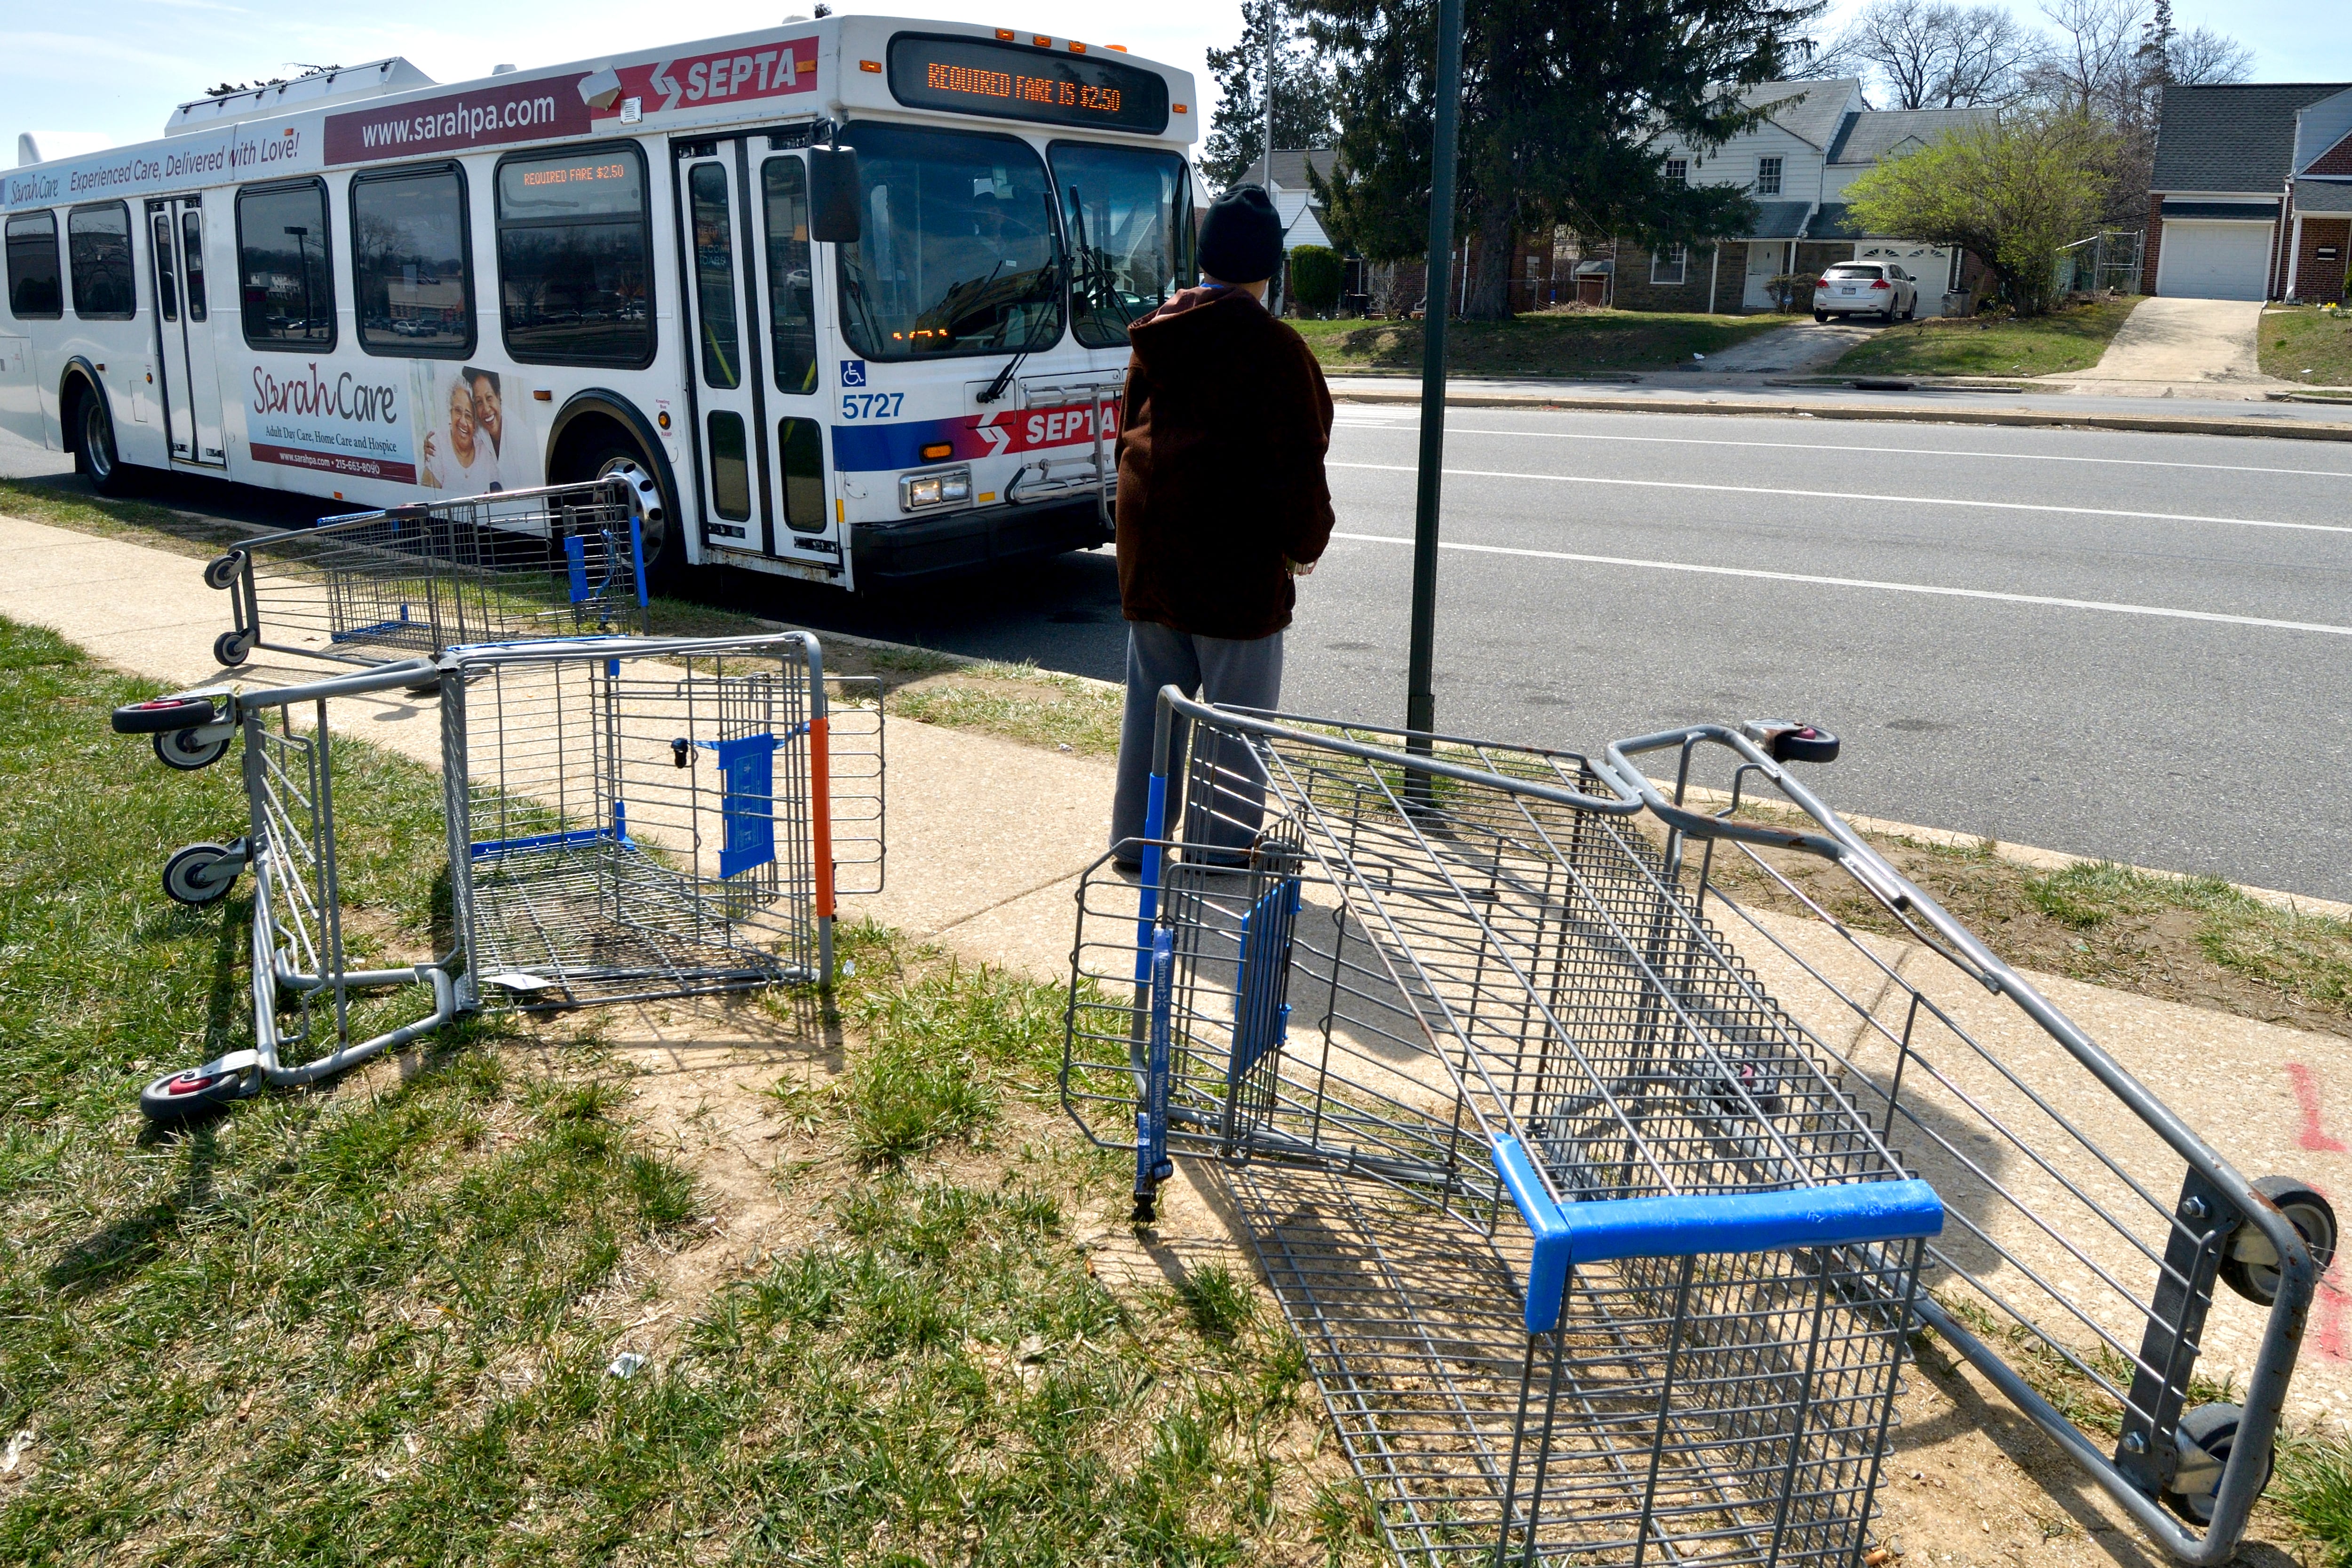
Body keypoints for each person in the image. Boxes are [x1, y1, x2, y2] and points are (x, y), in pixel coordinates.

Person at [1107, 184, 1334, 868]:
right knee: (1235, 717)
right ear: (1269, 268)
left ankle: (1136, 842)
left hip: (1152, 550)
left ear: (1205, 261)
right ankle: (1221, 847)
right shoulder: (1277, 350)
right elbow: (1299, 460)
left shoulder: (1156, 334)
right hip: (1235, 564)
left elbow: (1129, 434)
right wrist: (1306, 543)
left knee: (1153, 704)